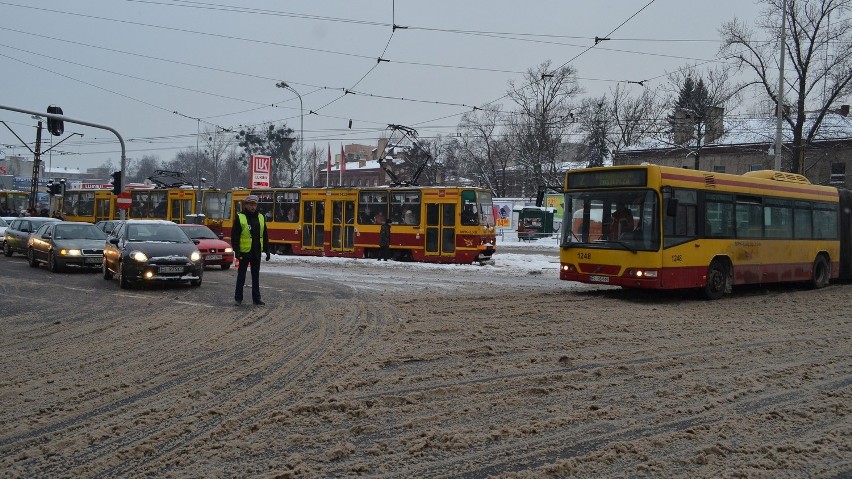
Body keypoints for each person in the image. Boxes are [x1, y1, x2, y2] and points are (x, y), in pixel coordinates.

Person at [232, 195, 270, 306]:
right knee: (241, 276)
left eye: (254, 205)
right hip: (244, 252)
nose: (253, 207)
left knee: (255, 276)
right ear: (246, 205)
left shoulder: (261, 217)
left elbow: (265, 235)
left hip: (256, 252)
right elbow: (235, 236)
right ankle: (238, 298)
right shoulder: (240, 217)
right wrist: (237, 251)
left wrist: (267, 250)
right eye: (251, 204)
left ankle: (256, 298)